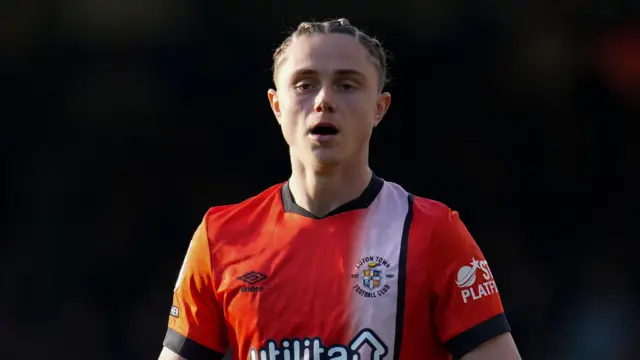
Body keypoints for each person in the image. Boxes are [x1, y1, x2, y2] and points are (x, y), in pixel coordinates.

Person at [158, 18, 521, 360]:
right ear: (276, 105)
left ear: (379, 109)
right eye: (304, 84)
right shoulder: (221, 236)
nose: (324, 100)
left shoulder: (433, 232)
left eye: (347, 85)